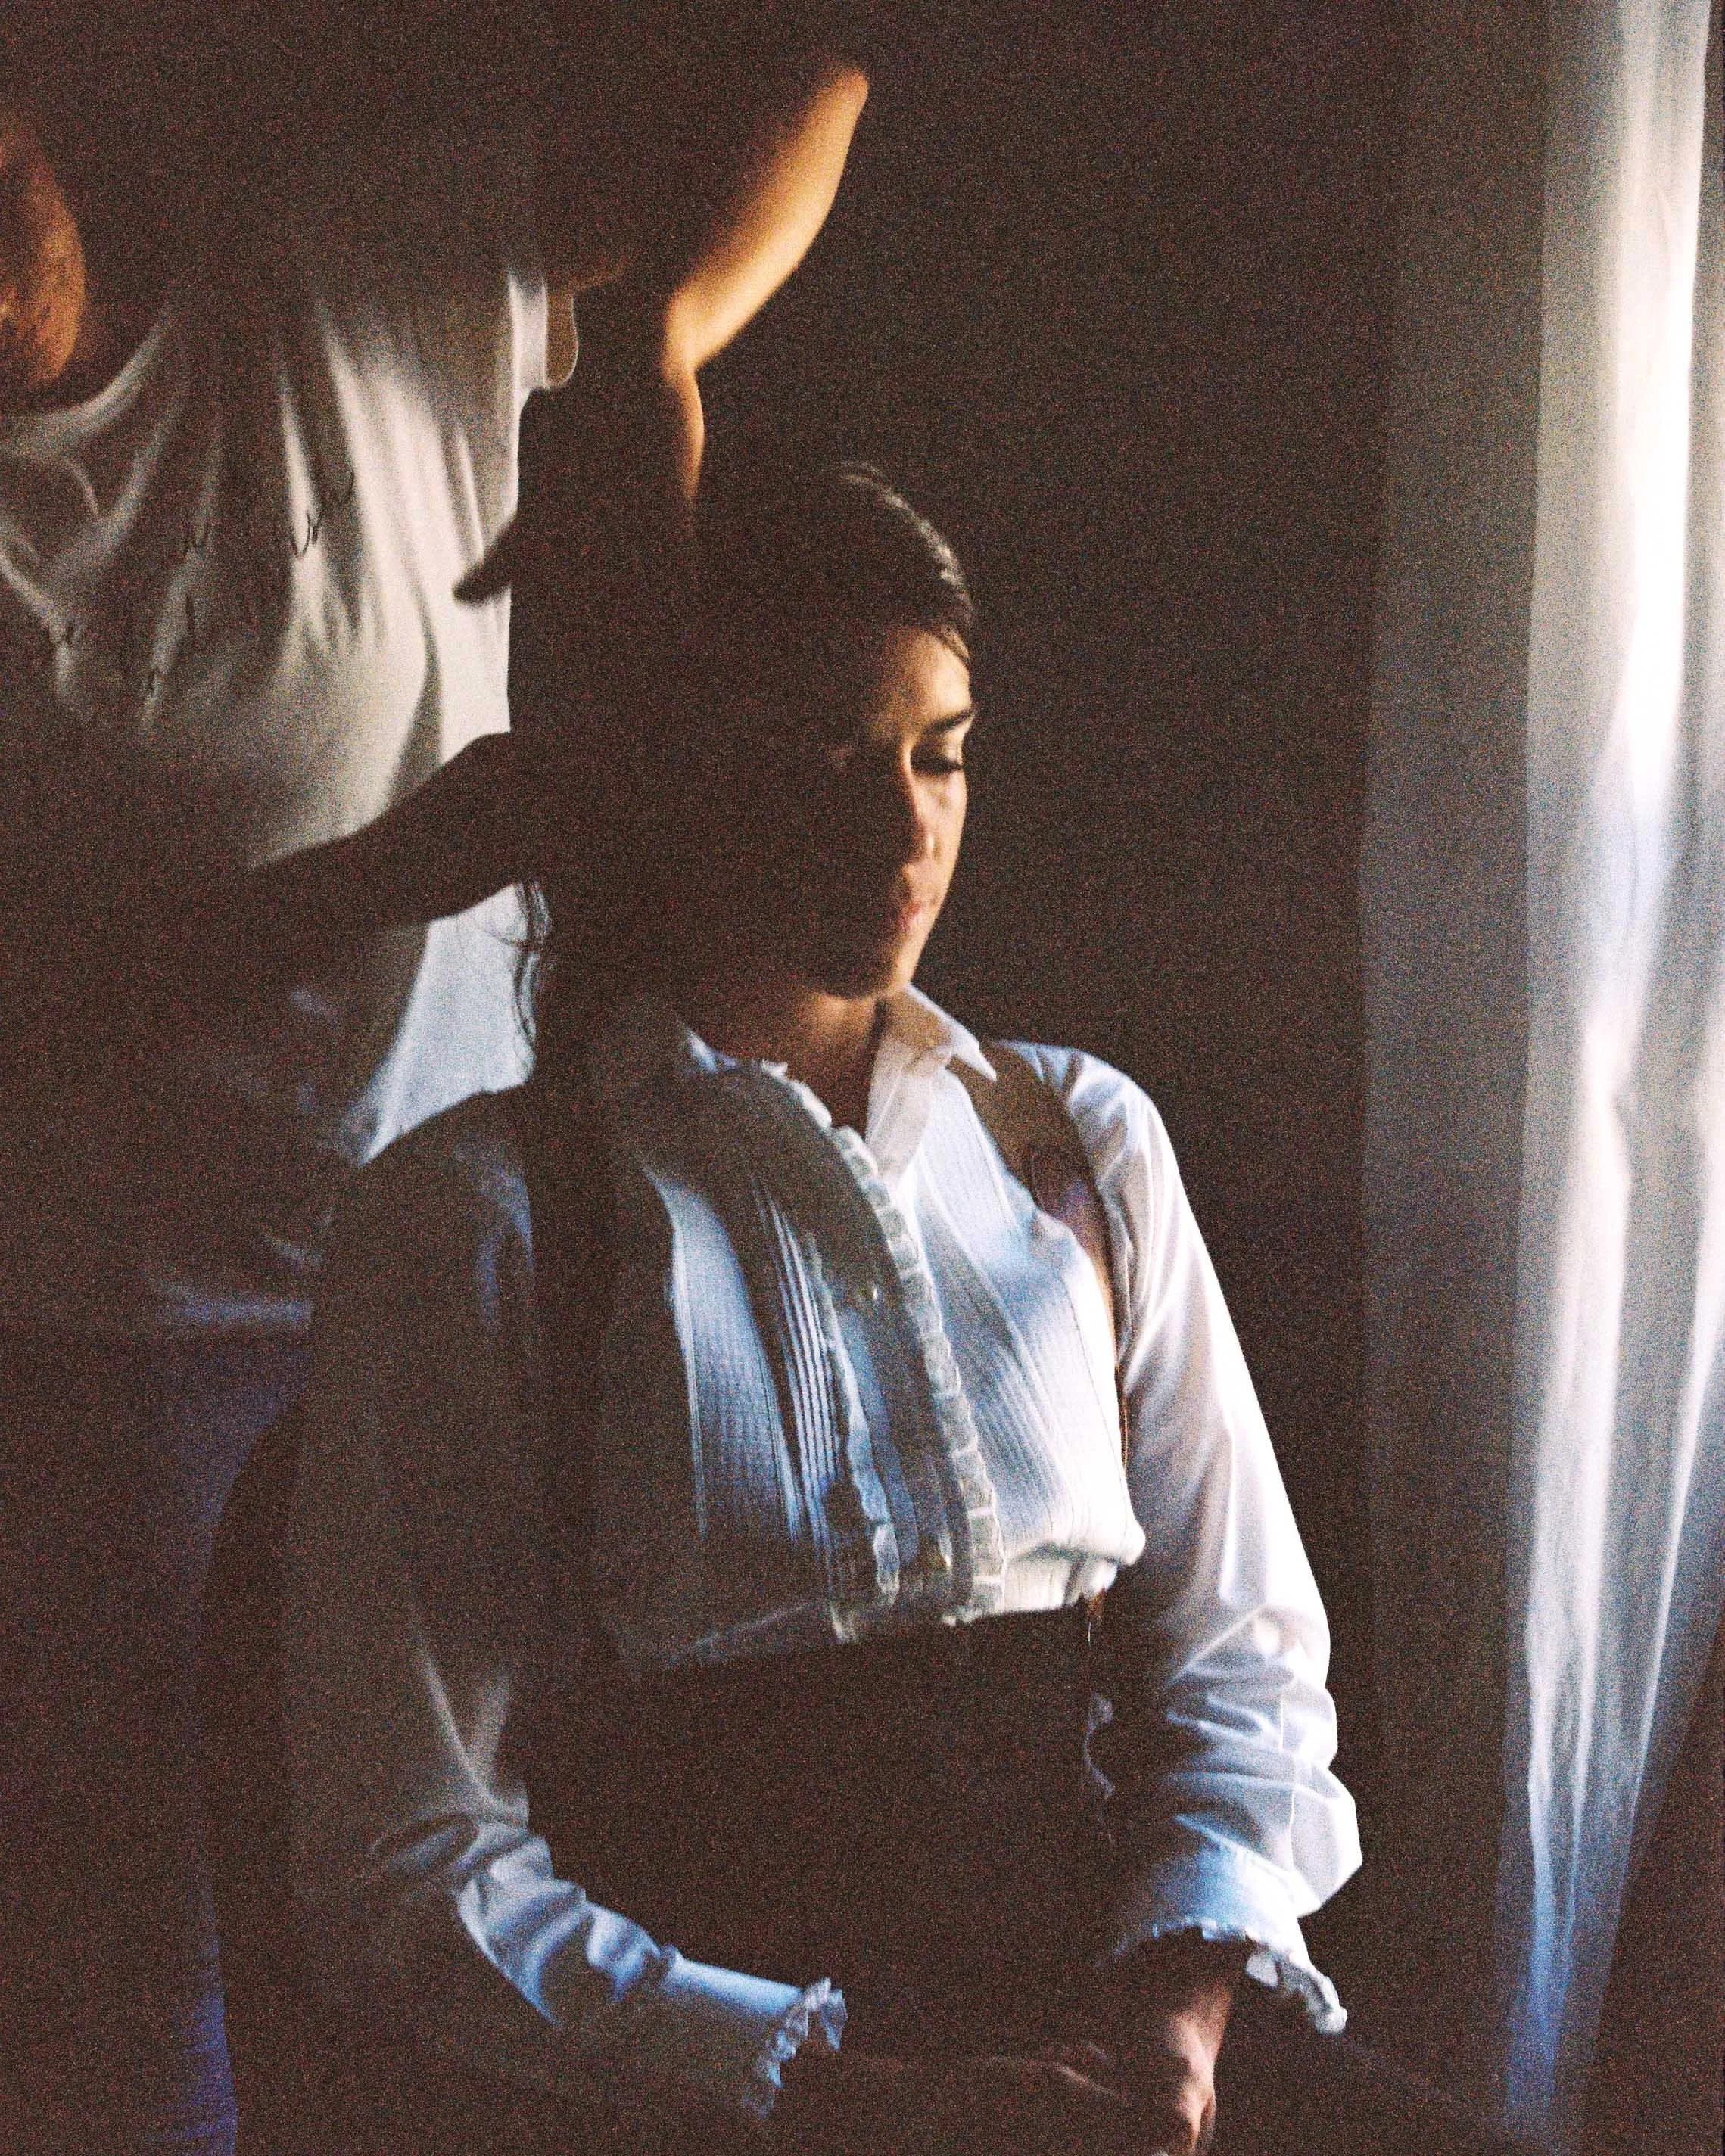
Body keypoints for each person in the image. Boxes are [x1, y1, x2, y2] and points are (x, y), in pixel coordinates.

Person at [0, 8, 870, 2150]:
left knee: (508, 1860)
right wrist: (402, 868)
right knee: (162, 1942)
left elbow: (818, 73)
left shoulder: (352, 276)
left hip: (465, 1262)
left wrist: (654, 345)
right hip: (126, 1340)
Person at [278, 456, 1365, 2156]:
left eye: (941, 753)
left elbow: (1235, 1652)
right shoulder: (477, 1219)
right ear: (675, 780)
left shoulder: (1075, 1140)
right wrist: (850, 2101)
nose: (905, 823)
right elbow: (407, 1857)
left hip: (1102, 2033)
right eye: (829, 759)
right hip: (701, 2086)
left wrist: (1172, 2005)